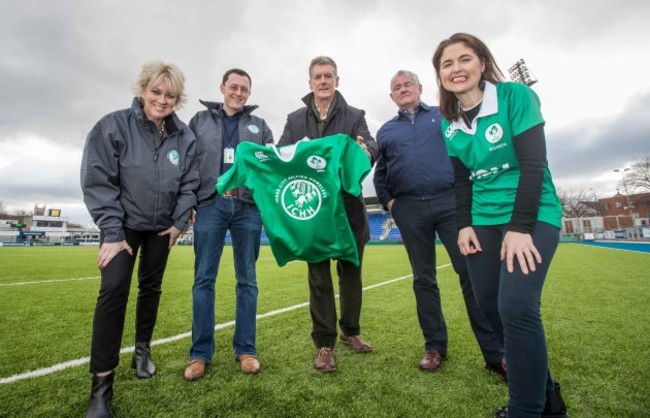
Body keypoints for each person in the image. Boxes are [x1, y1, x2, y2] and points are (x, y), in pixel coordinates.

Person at [432, 33, 568, 418]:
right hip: (482, 221)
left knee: (517, 306)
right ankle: (548, 399)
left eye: (464, 59)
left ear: (481, 62)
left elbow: (533, 165)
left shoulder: (515, 97)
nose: (456, 69)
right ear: (440, 75)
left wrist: (521, 227)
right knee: (492, 310)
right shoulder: (448, 123)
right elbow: (461, 180)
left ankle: (525, 410)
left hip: (531, 214)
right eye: (447, 64)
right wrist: (464, 225)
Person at [80, 60, 199, 418]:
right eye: (156, 91)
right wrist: (113, 232)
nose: (162, 100)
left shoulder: (185, 137)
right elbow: (98, 180)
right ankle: (101, 387)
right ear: (143, 89)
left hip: (162, 227)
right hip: (123, 228)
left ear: (178, 99)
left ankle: (142, 351)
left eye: (170, 95)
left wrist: (179, 223)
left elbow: (190, 182)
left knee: (151, 288)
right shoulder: (112, 126)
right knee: (114, 290)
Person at [373, 70, 506, 376]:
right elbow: (380, 174)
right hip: (409, 209)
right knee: (423, 279)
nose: (403, 89)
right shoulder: (385, 131)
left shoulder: (445, 116)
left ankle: (495, 353)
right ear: (391, 96)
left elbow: (464, 153)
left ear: (420, 88)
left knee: (470, 273)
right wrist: (391, 203)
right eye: (396, 87)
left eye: (408, 84)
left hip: (451, 204)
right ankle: (435, 346)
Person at [278, 56, 378, 372]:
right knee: (318, 279)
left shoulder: (355, 115)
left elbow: (371, 145)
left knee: (351, 275)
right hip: (312, 214)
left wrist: (366, 150)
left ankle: (351, 332)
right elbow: (281, 154)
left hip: (348, 211)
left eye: (329, 76)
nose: (323, 81)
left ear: (337, 80)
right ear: (310, 83)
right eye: (318, 77)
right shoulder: (295, 120)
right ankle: (324, 345)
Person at [183, 68, 273, 381]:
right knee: (203, 279)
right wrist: (191, 203)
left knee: (247, 280)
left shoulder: (260, 126)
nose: (238, 92)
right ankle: (199, 354)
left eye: (244, 88)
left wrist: (262, 206)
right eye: (233, 87)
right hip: (210, 204)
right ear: (222, 88)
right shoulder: (199, 121)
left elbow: (270, 168)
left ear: (249, 92)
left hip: (248, 208)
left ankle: (246, 350)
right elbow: (188, 163)